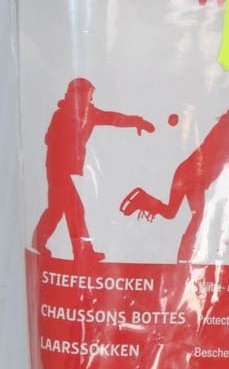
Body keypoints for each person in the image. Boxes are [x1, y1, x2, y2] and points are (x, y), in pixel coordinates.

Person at [33, 77, 155, 261]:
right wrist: (67, 143)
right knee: (74, 210)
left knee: (57, 210)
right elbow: (49, 138)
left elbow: (113, 118)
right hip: (57, 168)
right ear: (78, 95)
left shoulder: (89, 113)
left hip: (63, 169)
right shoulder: (62, 115)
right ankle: (82, 252)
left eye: (91, 95)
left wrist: (138, 122)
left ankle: (42, 243)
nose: (91, 99)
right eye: (88, 95)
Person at [120, 106, 229, 262]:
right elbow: (214, 153)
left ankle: (142, 198)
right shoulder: (224, 135)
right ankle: (184, 256)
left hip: (187, 175)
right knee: (196, 217)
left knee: (171, 212)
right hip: (192, 178)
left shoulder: (227, 137)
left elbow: (219, 153)